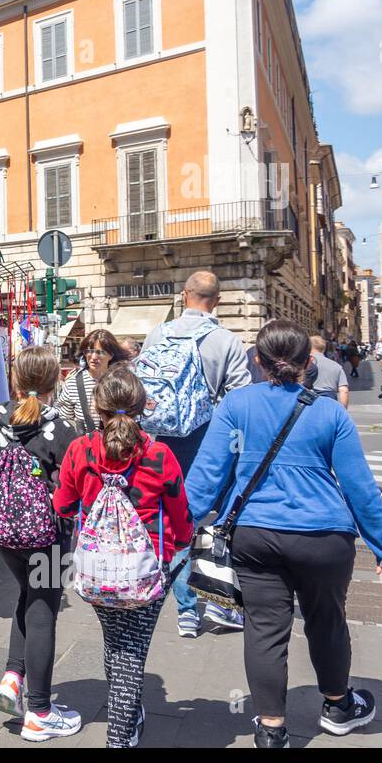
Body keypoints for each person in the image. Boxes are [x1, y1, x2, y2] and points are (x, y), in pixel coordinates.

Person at [185, 321, 382, 748]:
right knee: (327, 621)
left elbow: (205, 480)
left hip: (255, 534)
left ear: (257, 361)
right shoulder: (329, 412)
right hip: (324, 537)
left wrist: (173, 535)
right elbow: (359, 487)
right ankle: (339, 706)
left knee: (264, 628)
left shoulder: (235, 406)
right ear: (310, 362)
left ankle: (271, 729)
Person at [53, 366, 193, 748]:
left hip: (97, 569)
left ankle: (128, 713)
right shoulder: (158, 454)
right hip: (148, 570)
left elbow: (63, 505)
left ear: (97, 407)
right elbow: (180, 515)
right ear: (141, 406)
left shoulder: (80, 450)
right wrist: (182, 541)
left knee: (115, 642)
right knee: (131, 649)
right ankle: (120, 735)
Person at [0, 346, 81, 742]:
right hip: (48, 538)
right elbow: (72, 492)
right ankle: (40, 712)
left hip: (4, 536)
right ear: (56, 383)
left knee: (28, 598)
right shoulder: (63, 431)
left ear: (15, 380)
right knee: (43, 610)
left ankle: (13, 679)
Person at [140, 271, 251, 637]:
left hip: (159, 440)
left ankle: (186, 607)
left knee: (173, 523)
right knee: (214, 521)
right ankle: (221, 601)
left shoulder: (159, 333)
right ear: (216, 301)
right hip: (207, 440)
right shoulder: (227, 341)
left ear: (184, 295)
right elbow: (239, 398)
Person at [57, 329, 129, 435]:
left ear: (111, 355)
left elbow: (131, 416)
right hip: (85, 446)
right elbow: (64, 422)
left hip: (116, 444)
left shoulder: (122, 383)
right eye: (89, 351)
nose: (94, 357)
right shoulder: (73, 384)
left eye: (100, 352)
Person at [309, 336, 350, 408]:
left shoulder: (302, 364)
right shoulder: (336, 366)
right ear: (324, 348)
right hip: (330, 403)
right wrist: (342, 411)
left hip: (308, 402)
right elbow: (344, 391)